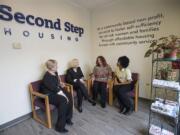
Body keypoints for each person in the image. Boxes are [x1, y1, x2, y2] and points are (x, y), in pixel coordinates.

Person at [40, 59, 73, 133]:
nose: (57, 66)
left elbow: (57, 83)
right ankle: (59, 127)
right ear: (51, 67)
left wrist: (61, 84)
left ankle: (68, 118)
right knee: (63, 100)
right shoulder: (46, 77)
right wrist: (63, 95)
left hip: (55, 90)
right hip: (48, 95)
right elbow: (54, 89)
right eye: (56, 66)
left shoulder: (55, 73)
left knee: (69, 95)